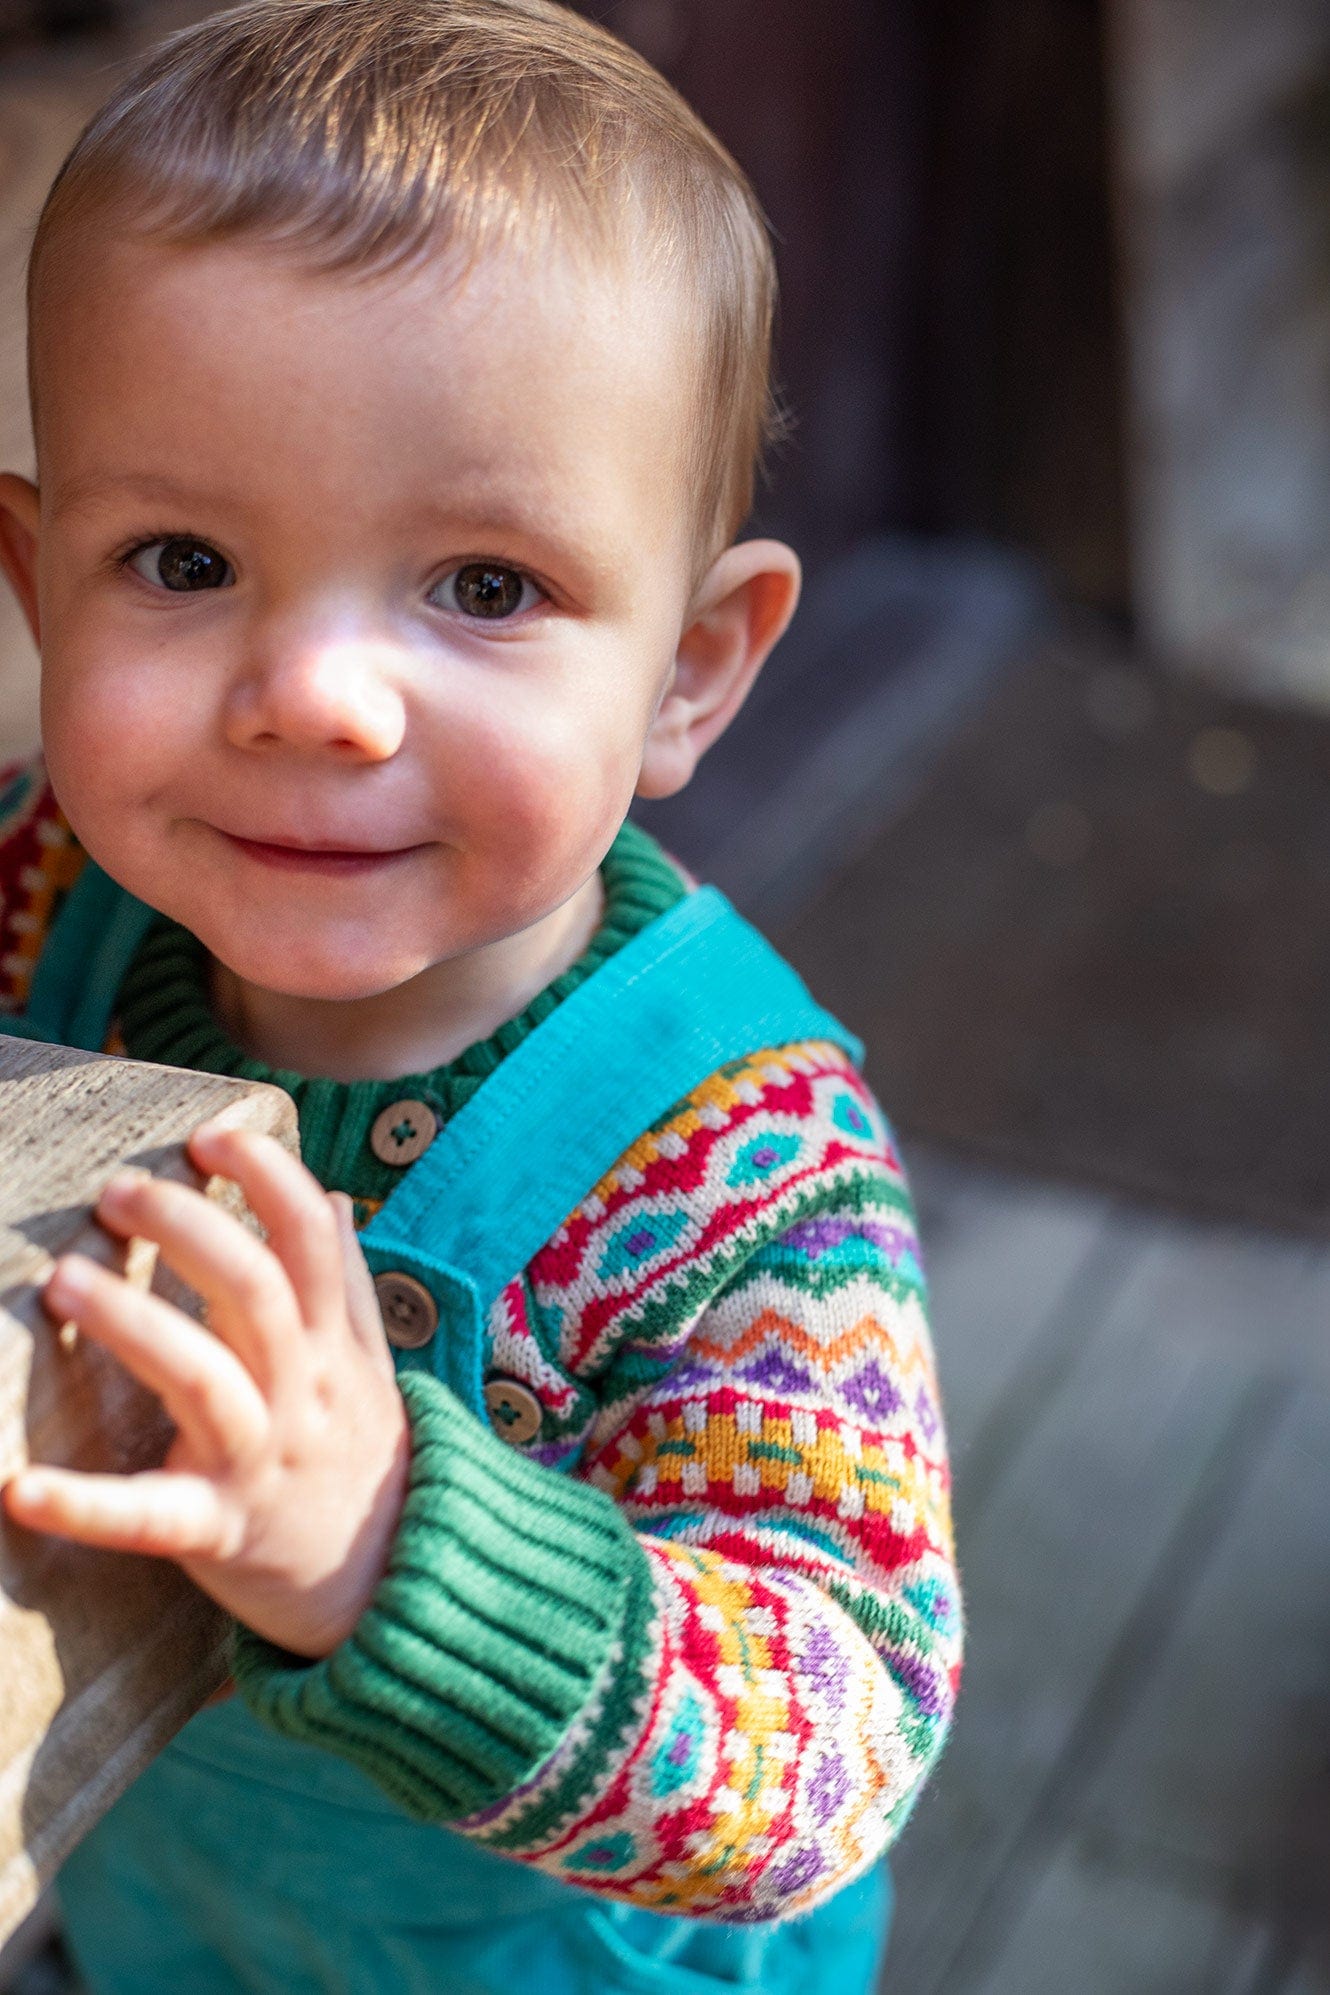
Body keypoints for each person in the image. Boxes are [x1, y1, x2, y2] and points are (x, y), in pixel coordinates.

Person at [0, 2, 962, 1989]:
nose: (316, 697)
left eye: (484, 586)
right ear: (37, 584)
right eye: (181, 557)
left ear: (691, 667)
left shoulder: (733, 1162)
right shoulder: (44, 884)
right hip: (152, 1906)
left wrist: (383, 1548)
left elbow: (836, 1741)